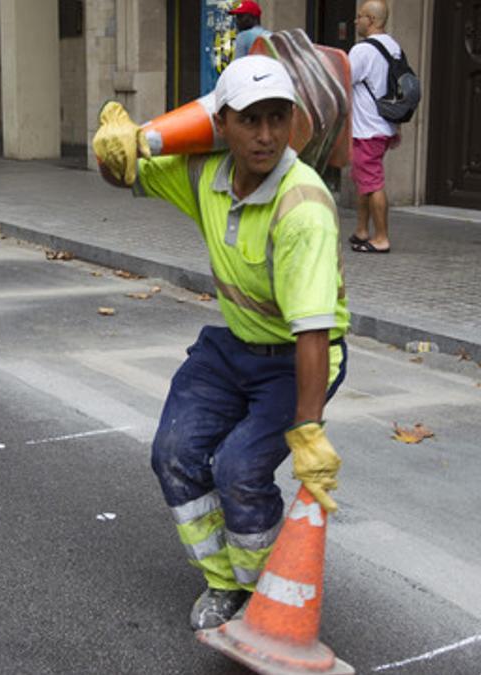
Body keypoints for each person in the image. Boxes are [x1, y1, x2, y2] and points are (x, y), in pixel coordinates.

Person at [92, 55, 348, 631]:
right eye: (250, 120)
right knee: (173, 454)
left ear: (293, 123)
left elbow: (313, 330)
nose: (266, 136)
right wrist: (113, 149)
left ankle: (268, 595)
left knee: (238, 469)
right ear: (222, 124)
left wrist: (308, 431)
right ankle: (223, 581)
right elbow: (128, 173)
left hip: (298, 359)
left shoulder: (302, 206)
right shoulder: (203, 173)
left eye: (278, 119)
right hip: (232, 347)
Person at [347, 0, 400, 254]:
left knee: (373, 183)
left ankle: (381, 238)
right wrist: (396, 127)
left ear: (372, 19)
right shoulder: (393, 47)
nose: (356, 21)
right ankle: (361, 230)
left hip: (367, 128)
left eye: (360, 16)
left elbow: (343, 81)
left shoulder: (362, 51)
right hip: (384, 126)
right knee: (363, 179)